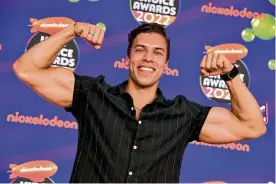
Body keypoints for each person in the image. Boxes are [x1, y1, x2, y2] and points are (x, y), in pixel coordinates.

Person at [13, 21, 266, 183]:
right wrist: (71, 31)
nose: (148, 58)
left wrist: (229, 74)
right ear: (127, 58)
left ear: (166, 65)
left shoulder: (182, 115)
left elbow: (253, 126)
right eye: (140, 50)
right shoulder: (92, 94)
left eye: (157, 53)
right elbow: (26, 69)